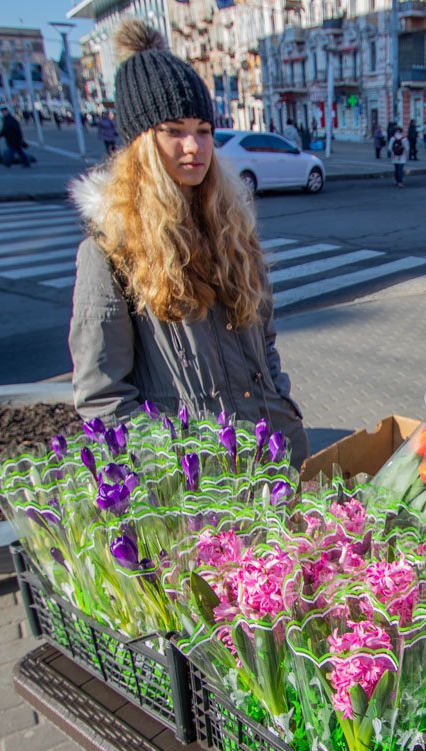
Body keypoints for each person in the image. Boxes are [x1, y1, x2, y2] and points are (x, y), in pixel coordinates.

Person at [67, 19, 309, 468]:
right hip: (198, 491)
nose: (193, 146)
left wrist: (278, 400)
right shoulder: (110, 252)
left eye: (202, 130)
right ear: (141, 141)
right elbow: (103, 396)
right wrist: (175, 475)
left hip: (272, 460)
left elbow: (266, 340)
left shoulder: (232, 229)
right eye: (174, 131)